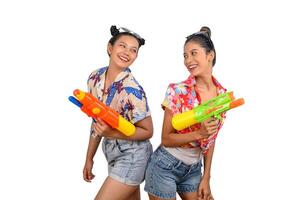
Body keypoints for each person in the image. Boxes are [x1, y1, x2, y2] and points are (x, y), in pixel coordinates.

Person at [144, 26, 227, 200]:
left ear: (210, 55)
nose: (188, 60)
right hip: (164, 166)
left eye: (194, 53)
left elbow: (211, 139)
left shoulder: (221, 96)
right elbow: (166, 138)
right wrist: (199, 133)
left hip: (194, 170)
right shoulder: (177, 91)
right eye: (185, 55)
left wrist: (207, 177)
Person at [83, 25, 153, 200]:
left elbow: (148, 131)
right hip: (112, 155)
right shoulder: (94, 78)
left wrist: (111, 132)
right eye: (122, 45)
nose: (127, 52)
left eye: (133, 50)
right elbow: (96, 121)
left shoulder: (132, 90)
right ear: (110, 47)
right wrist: (89, 158)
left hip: (133, 157)